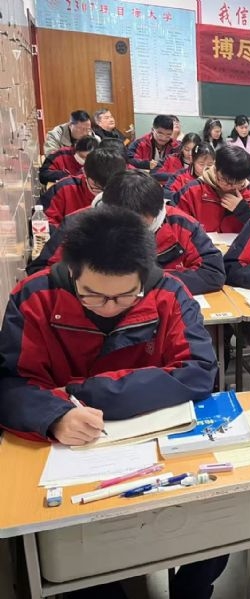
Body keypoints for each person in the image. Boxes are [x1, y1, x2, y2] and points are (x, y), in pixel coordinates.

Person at [0, 207, 227, 599]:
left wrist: (76, 393)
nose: (109, 306)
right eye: (93, 295)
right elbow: (10, 383)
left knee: (212, 525)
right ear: (72, 272)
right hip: (71, 455)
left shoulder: (169, 292)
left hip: (158, 448)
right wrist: (54, 416)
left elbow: (198, 371)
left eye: (124, 295)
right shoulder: (35, 297)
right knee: (76, 560)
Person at [29, 171, 225, 295]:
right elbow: (42, 272)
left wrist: (144, 282)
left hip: (158, 310)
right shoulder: (78, 223)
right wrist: (96, 282)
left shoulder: (180, 223)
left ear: (157, 212)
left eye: (140, 225)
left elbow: (213, 272)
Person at [175, 145, 250, 233]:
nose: (231, 187)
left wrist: (244, 210)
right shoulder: (192, 191)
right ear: (215, 169)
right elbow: (175, 225)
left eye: (238, 183)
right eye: (225, 181)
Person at [41, 147, 127, 226]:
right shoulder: (64, 188)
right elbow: (43, 221)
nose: (102, 195)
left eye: (110, 188)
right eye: (97, 188)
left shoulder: (128, 190)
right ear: (84, 173)